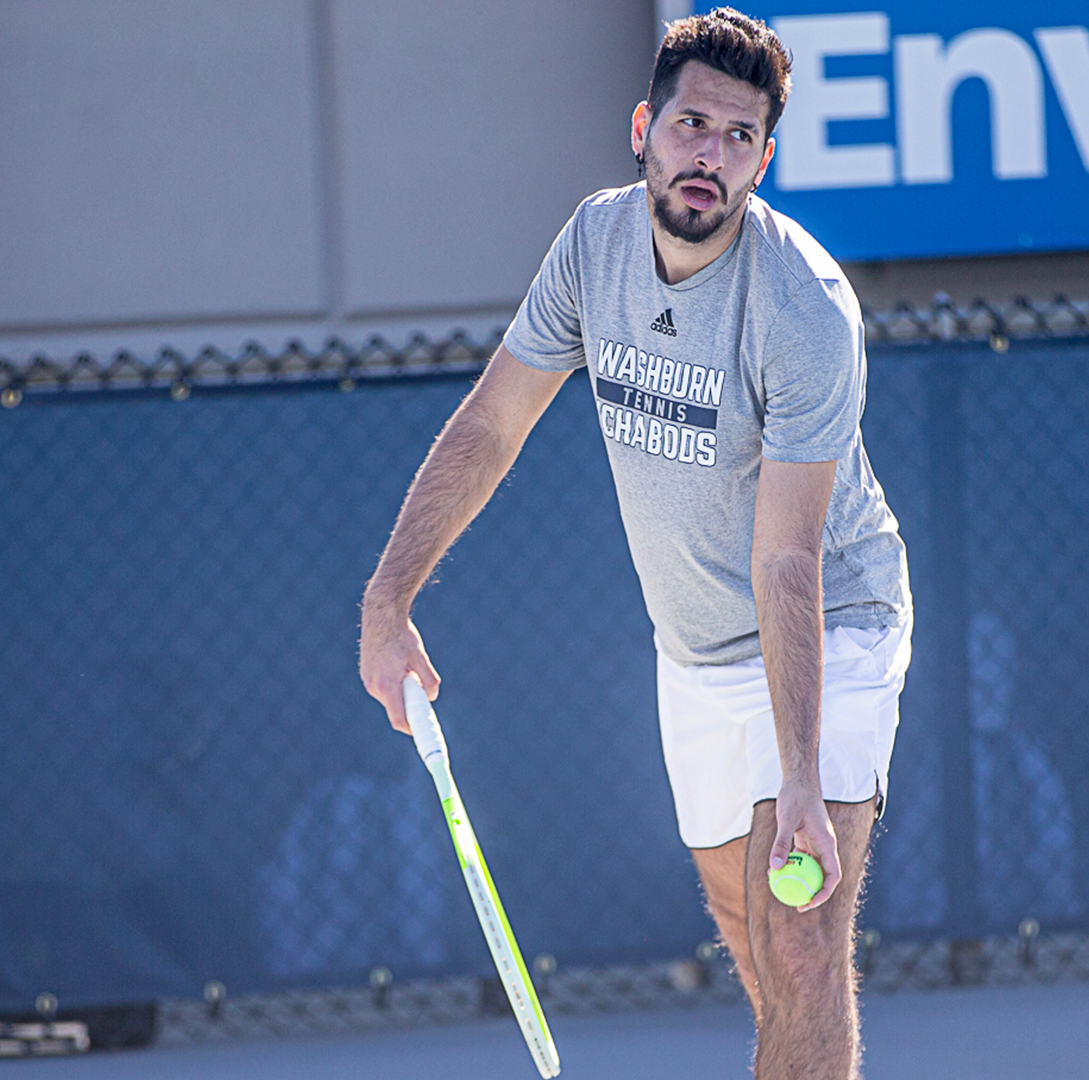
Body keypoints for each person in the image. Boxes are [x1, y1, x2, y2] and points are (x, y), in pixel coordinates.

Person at [356, 9, 910, 1078]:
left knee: (800, 938)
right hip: (694, 652)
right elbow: (491, 424)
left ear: (764, 159)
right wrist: (390, 601)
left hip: (830, 626)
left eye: (739, 138)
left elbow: (789, 557)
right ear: (644, 126)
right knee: (755, 942)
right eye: (693, 125)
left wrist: (803, 773)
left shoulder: (804, 308)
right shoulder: (593, 245)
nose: (710, 155)